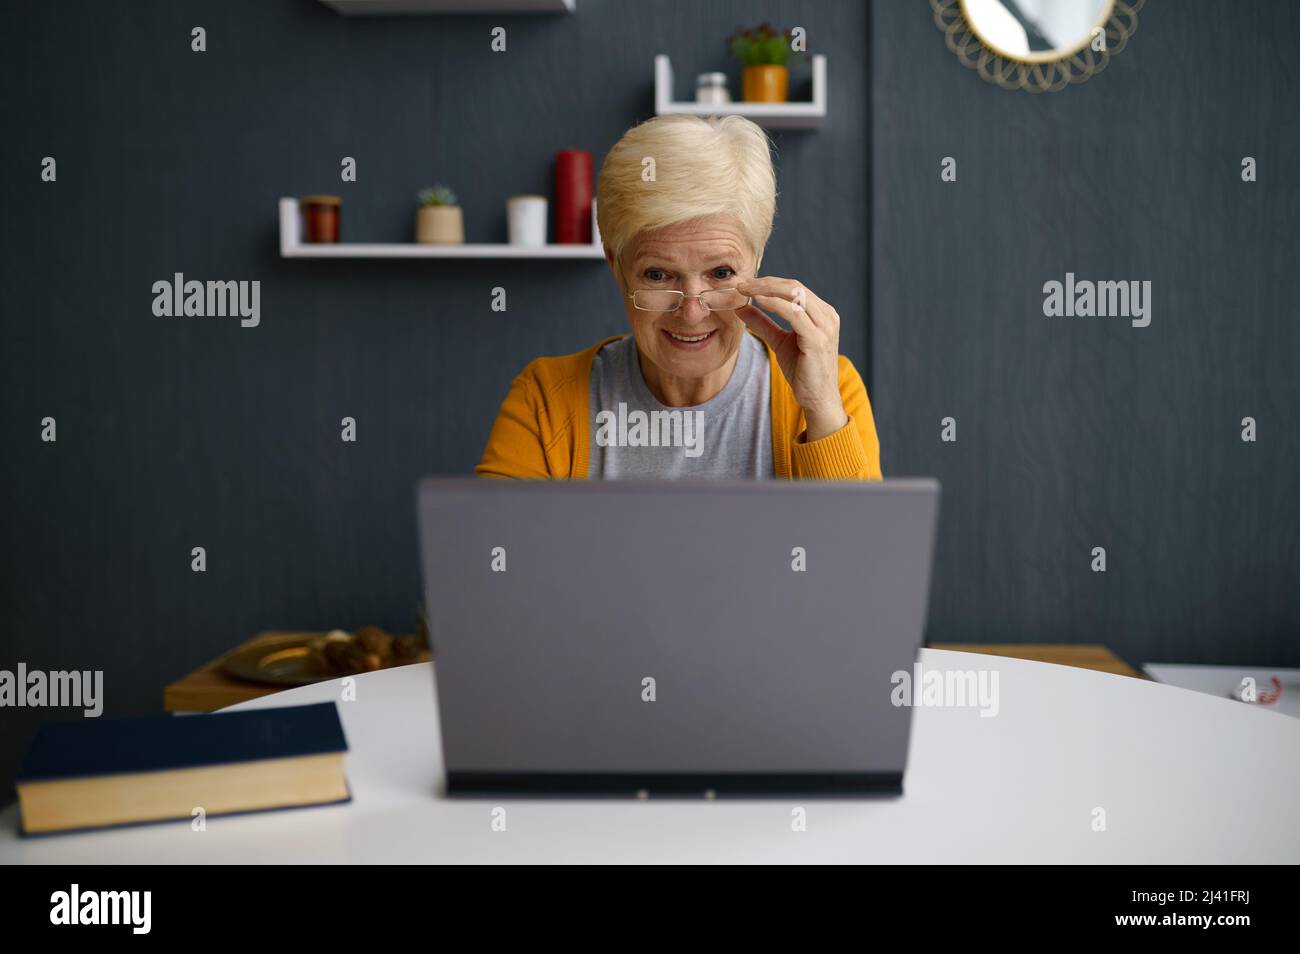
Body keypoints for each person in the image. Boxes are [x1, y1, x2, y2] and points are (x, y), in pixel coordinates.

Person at [477, 114, 881, 480]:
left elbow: (862, 559)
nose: (691, 312)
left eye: (721, 273)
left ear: (755, 263)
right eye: (657, 274)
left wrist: (823, 412)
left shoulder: (832, 389)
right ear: (617, 267)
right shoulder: (545, 400)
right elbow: (493, 558)